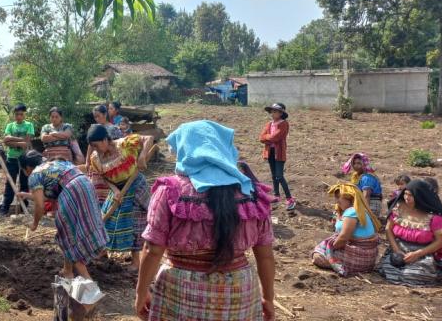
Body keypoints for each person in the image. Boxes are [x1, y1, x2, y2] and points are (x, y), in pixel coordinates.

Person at [136, 120, 275, 321]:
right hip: (239, 291)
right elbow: (265, 256)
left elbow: (152, 249)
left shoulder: (170, 191)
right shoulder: (251, 193)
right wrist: (268, 298)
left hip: (181, 290)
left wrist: (141, 293)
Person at [16, 151, 109, 279]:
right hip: (86, 185)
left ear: (27, 168)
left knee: (69, 234)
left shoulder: (34, 174)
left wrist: (34, 224)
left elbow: (40, 206)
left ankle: (90, 289)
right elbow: (49, 194)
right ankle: (68, 270)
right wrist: (26, 195)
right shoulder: (54, 163)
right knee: (82, 227)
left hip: (72, 191)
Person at [87, 124, 153, 270]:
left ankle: (136, 262)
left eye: (97, 145)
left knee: (135, 222)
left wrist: (141, 157)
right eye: (93, 147)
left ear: (105, 140)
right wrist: (115, 190)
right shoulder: (96, 158)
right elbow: (104, 177)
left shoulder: (124, 144)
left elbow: (149, 138)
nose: (96, 150)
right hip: (118, 189)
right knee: (106, 219)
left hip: (135, 185)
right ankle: (102, 251)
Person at [378, 179, 442, 286]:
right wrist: (396, 250)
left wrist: (418, 254)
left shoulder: (434, 218)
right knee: (389, 268)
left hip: (423, 253)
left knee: (412, 275)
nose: (406, 198)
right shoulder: (398, 209)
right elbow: (388, 229)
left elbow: (440, 241)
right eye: (405, 194)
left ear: (420, 197)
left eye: (411, 195)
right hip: (399, 249)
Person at [313, 183, 381, 276]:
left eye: (338, 197)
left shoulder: (352, 212)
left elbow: (343, 238)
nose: (336, 201)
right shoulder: (357, 210)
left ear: (350, 198)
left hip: (359, 255)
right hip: (367, 257)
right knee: (322, 249)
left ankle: (342, 266)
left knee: (318, 257)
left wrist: (330, 250)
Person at [0, 103, 35, 216]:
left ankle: (23, 208)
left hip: (24, 159)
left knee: (24, 183)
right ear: (14, 115)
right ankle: (4, 208)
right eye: (17, 114)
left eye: (21, 114)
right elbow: (6, 140)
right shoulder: (10, 125)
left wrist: (13, 142)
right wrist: (20, 141)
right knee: (10, 183)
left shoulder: (29, 125)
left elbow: (27, 142)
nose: (19, 116)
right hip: (12, 158)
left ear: (24, 115)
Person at [259, 102, 294, 210]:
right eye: (272, 111)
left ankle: (290, 199)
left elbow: (276, 137)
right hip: (270, 152)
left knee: (279, 176)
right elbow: (261, 138)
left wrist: (267, 138)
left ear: (281, 113)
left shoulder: (284, 124)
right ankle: (276, 196)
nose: (272, 114)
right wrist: (269, 138)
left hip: (279, 153)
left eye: (275, 111)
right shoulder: (269, 124)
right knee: (274, 175)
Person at [342, 153, 384, 218]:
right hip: (362, 203)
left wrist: (364, 212)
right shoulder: (356, 177)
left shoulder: (367, 177)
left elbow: (366, 195)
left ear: (364, 164)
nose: (356, 165)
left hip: (370, 204)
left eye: (359, 163)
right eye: (354, 163)